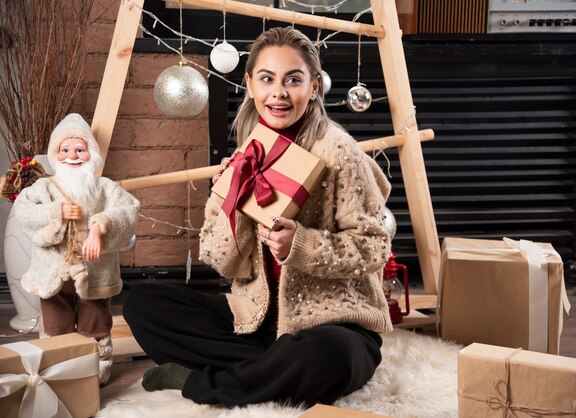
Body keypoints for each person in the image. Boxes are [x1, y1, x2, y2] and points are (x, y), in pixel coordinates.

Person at [123, 26, 393, 407]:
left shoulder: (339, 151)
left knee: (330, 355)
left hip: (329, 324)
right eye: (267, 79)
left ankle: (199, 381)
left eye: (293, 80)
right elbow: (219, 261)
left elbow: (374, 247)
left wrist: (301, 244)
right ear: (250, 84)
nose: (279, 92)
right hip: (255, 320)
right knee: (143, 304)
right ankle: (271, 370)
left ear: (314, 87)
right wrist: (232, 206)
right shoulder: (248, 151)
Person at [14, 113, 140, 384]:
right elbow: (23, 211)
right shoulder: (43, 187)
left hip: (93, 271)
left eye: (80, 150)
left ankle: (96, 367)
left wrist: (100, 226)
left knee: (95, 320)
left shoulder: (104, 187)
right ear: (55, 154)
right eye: (65, 150)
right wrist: (55, 212)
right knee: (55, 323)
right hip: (53, 272)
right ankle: (57, 367)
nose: (72, 155)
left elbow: (128, 209)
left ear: (91, 154)